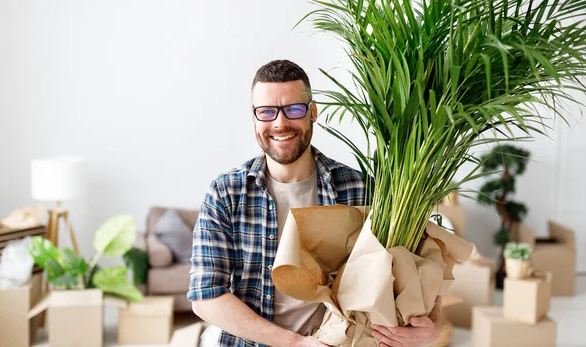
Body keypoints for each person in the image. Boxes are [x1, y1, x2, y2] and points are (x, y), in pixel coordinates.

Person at [187, 60, 442, 347]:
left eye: (293, 109)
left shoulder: (361, 189)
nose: (280, 123)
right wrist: (294, 344)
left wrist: (432, 325)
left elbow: (414, 263)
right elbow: (205, 295)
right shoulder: (225, 193)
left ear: (313, 112)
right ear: (254, 117)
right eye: (267, 112)